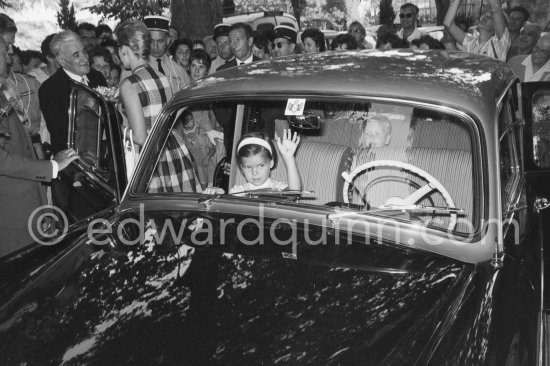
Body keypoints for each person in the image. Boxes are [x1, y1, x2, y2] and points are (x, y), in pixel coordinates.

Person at [0, 33, 79, 258]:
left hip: (24, 200)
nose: (9, 58)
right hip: (10, 210)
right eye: (5, 52)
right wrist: (52, 167)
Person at [116, 20, 173, 146]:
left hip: (150, 155)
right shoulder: (162, 76)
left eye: (118, 48)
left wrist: (113, 126)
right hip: (169, 147)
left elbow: (140, 138)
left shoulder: (129, 84)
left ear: (124, 49)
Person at [229, 129, 301, 193]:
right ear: (241, 168)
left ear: (271, 163)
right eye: (248, 167)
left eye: (261, 165)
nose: (254, 173)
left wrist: (289, 159)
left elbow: (294, 192)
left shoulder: (278, 189)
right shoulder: (237, 192)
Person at [444, 0, 510, 61]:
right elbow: (448, 24)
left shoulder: (499, 44)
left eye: (491, 17)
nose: (485, 16)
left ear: (497, 26)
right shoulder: (471, 43)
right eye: (485, 14)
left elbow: (496, 8)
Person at [144, 15, 190, 93]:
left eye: (160, 41)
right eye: (151, 41)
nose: (155, 46)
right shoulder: (138, 67)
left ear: (168, 40)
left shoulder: (177, 69)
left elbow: (188, 95)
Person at [175, 110, 216, 189]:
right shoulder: (183, 138)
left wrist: (207, 158)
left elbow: (213, 149)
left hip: (208, 164)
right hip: (196, 167)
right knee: (202, 187)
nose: (191, 121)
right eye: (188, 120)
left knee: (212, 186)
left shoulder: (201, 132)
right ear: (184, 124)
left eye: (191, 118)